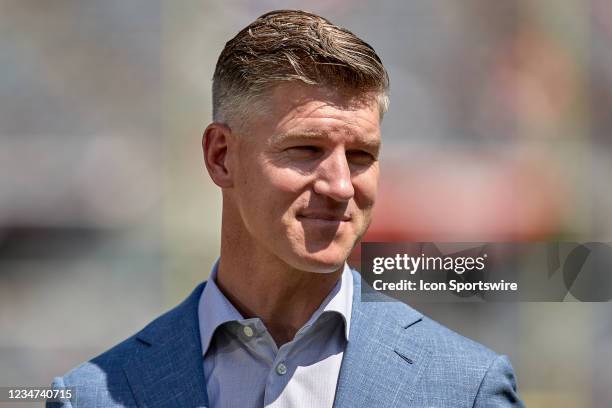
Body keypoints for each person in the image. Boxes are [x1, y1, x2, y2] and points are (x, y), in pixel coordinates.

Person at [48, 10, 524, 408]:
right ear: (221, 156)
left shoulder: (466, 388)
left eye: (361, 156)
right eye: (305, 149)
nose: (340, 186)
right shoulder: (89, 396)